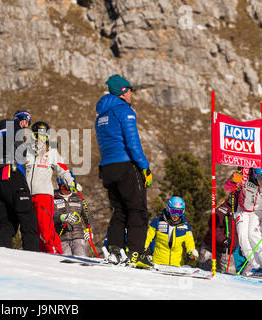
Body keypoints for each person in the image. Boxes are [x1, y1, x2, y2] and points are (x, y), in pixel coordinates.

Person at [94, 74, 153, 268]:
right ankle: (136, 252)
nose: (131, 94)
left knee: (119, 210)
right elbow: (132, 143)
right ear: (122, 91)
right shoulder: (124, 111)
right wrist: (144, 167)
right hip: (126, 165)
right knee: (138, 209)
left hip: (108, 167)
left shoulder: (101, 116)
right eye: (129, 90)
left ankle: (115, 249)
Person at [0, 111, 39, 252]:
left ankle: (1, 251)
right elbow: (18, 146)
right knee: (27, 215)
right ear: (17, 119)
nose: (26, 124)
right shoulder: (12, 128)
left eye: (28, 122)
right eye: (24, 120)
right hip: (12, 173)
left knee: (8, 221)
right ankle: (33, 253)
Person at [25, 121, 75, 254]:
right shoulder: (27, 151)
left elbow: (62, 169)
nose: (39, 140)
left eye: (42, 137)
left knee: (45, 227)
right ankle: (43, 255)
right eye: (36, 136)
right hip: (28, 195)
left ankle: (55, 252)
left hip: (43, 195)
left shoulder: (51, 151)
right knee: (34, 229)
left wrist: (70, 181)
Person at [223, 167, 262, 274]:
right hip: (243, 210)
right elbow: (227, 188)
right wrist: (232, 180)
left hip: (257, 211)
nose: (261, 181)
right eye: (259, 177)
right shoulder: (245, 177)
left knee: (254, 236)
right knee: (243, 239)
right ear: (254, 174)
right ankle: (256, 266)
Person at [144, 196, 198, 267]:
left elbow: (189, 242)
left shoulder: (185, 227)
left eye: (179, 212)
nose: (176, 215)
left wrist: (192, 252)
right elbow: (147, 237)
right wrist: (143, 246)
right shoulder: (157, 222)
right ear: (168, 209)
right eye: (173, 211)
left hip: (175, 265)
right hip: (157, 263)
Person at [198, 188, 239, 273]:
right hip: (211, 246)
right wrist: (223, 240)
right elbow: (213, 226)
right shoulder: (224, 209)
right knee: (206, 271)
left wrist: (233, 244)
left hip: (227, 250)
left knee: (230, 275)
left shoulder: (243, 212)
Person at [53, 172, 93, 256]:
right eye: (64, 188)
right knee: (66, 261)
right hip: (62, 238)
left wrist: (89, 229)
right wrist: (62, 217)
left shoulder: (78, 198)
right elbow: (51, 216)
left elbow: (88, 216)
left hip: (78, 237)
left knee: (81, 257)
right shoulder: (53, 198)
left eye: (70, 188)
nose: (67, 191)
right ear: (59, 186)